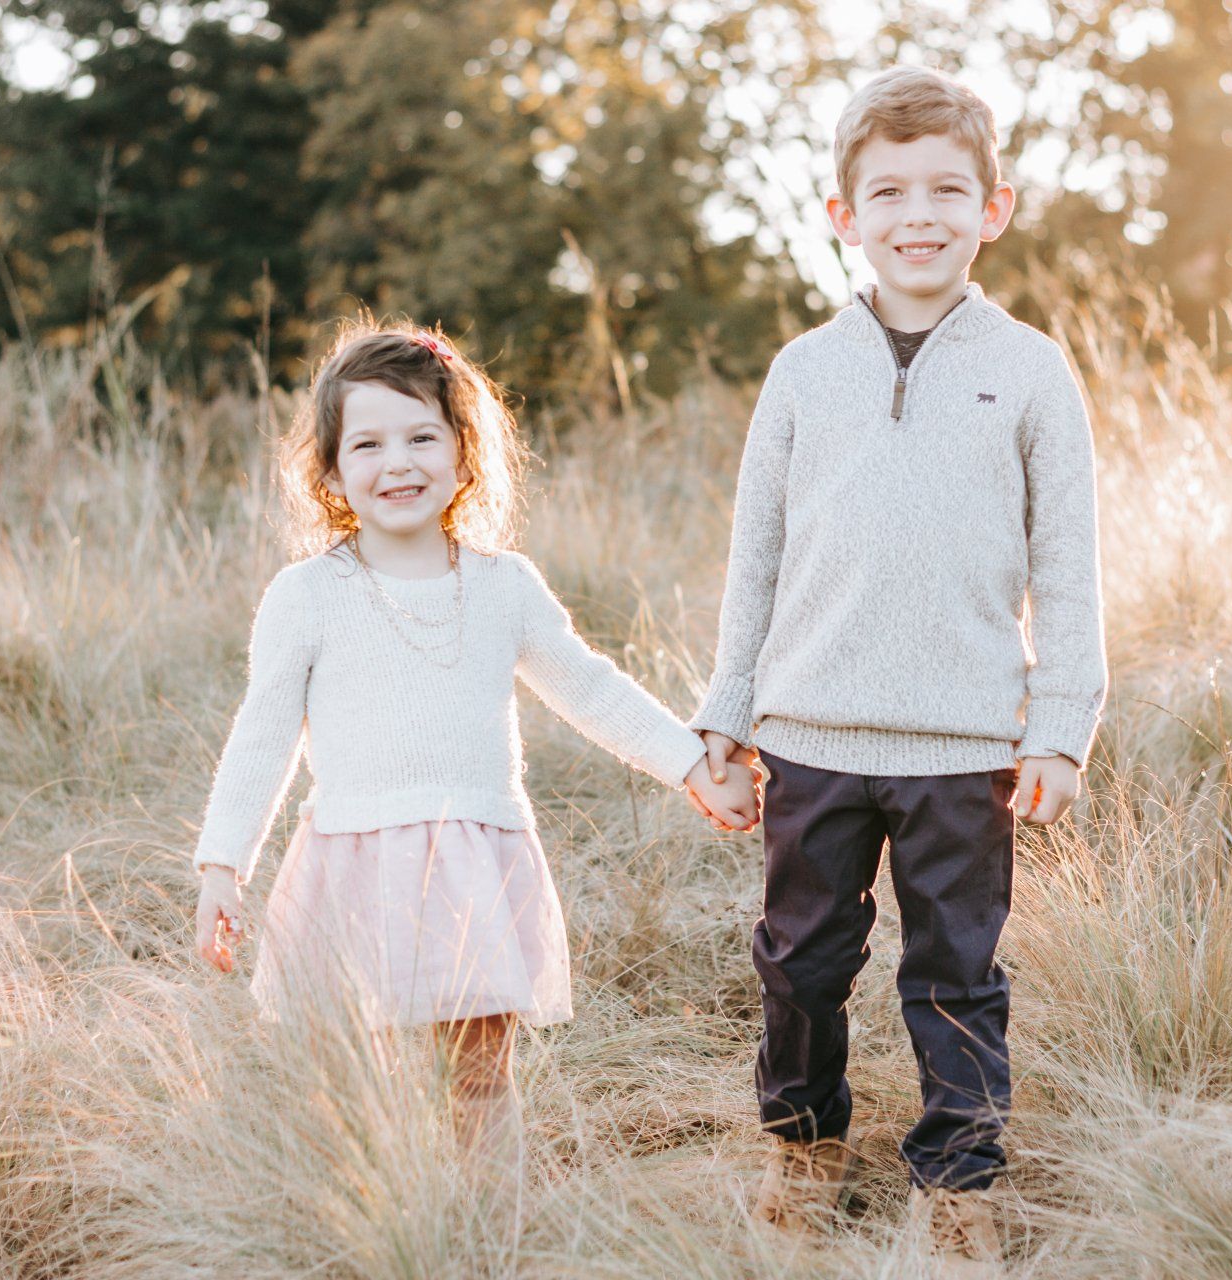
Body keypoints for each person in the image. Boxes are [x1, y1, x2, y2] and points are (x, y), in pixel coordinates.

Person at [688, 66, 1108, 1260]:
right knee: (800, 962)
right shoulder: (802, 371)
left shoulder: (1032, 369)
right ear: (844, 215)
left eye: (946, 190)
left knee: (956, 971)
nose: (917, 215)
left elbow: (1068, 567)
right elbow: (756, 562)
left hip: (966, 742)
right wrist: (727, 714)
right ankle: (803, 1144)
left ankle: (959, 1177)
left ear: (994, 208)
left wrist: (1061, 726)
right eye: (888, 192)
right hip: (812, 734)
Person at [189, 318, 760, 1183]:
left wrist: (691, 763)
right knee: (369, 1086)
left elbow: (589, 688)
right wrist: (222, 866)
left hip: (472, 868)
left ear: (464, 454)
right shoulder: (306, 596)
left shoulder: (503, 587)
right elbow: (261, 735)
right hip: (356, 868)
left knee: (479, 1076)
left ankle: (493, 1222)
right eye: (368, 444)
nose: (398, 463)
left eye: (422, 437)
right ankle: (393, 1226)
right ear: (332, 470)